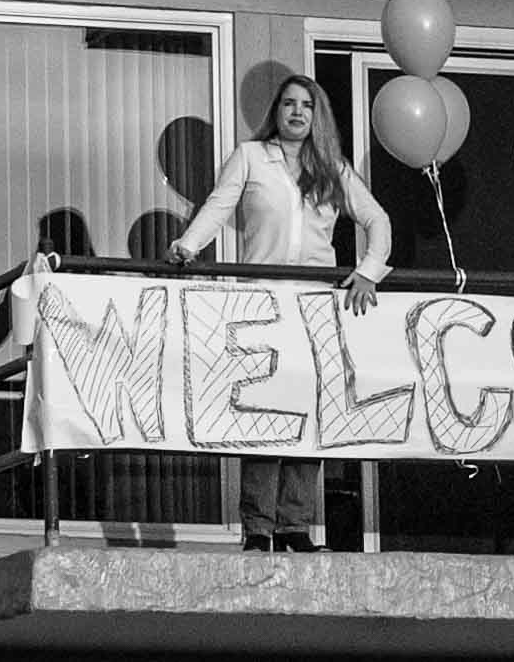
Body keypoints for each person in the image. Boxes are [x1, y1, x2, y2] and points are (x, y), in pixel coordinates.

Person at [165, 74, 392, 553]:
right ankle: (258, 528)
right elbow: (218, 205)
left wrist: (369, 271)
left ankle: (295, 526)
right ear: (277, 111)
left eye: (306, 106)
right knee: (263, 412)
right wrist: (188, 246)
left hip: (314, 307)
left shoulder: (332, 167)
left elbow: (378, 220)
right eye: (288, 104)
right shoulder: (251, 156)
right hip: (262, 305)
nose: (296, 113)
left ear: (317, 115)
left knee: (306, 414)